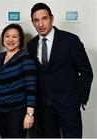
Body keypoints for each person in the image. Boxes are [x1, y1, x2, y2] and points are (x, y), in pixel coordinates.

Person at [27, 2, 93, 138]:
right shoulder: (31, 45)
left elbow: (86, 71)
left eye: (44, 18)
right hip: (44, 108)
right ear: (32, 22)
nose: (40, 24)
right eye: (36, 20)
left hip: (69, 105)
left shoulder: (70, 40)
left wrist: (80, 98)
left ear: (52, 18)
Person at [0, 23, 37, 138]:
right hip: (1, 112)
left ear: (20, 40)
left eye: (15, 36)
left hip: (17, 112)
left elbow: (31, 87)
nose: (10, 39)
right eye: (7, 36)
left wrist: (30, 114)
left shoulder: (25, 57)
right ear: (3, 39)